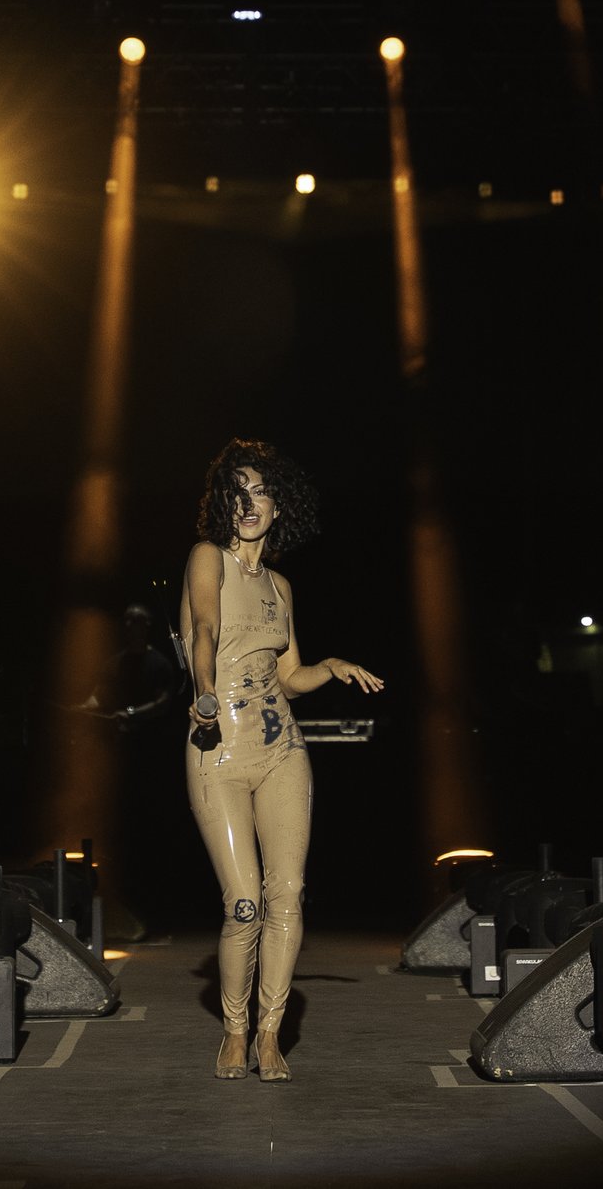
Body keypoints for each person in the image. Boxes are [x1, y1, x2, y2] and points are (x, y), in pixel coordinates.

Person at [180, 439, 384, 1083]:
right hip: (218, 746)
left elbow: (289, 676)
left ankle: (270, 1035)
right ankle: (233, 1030)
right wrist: (204, 696)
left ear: (278, 508)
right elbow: (205, 630)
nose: (248, 505)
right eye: (236, 494)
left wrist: (329, 666)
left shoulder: (282, 586)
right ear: (223, 504)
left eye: (260, 493)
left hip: (282, 749)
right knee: (243, 903)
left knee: (287, 894)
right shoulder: (206, 557)